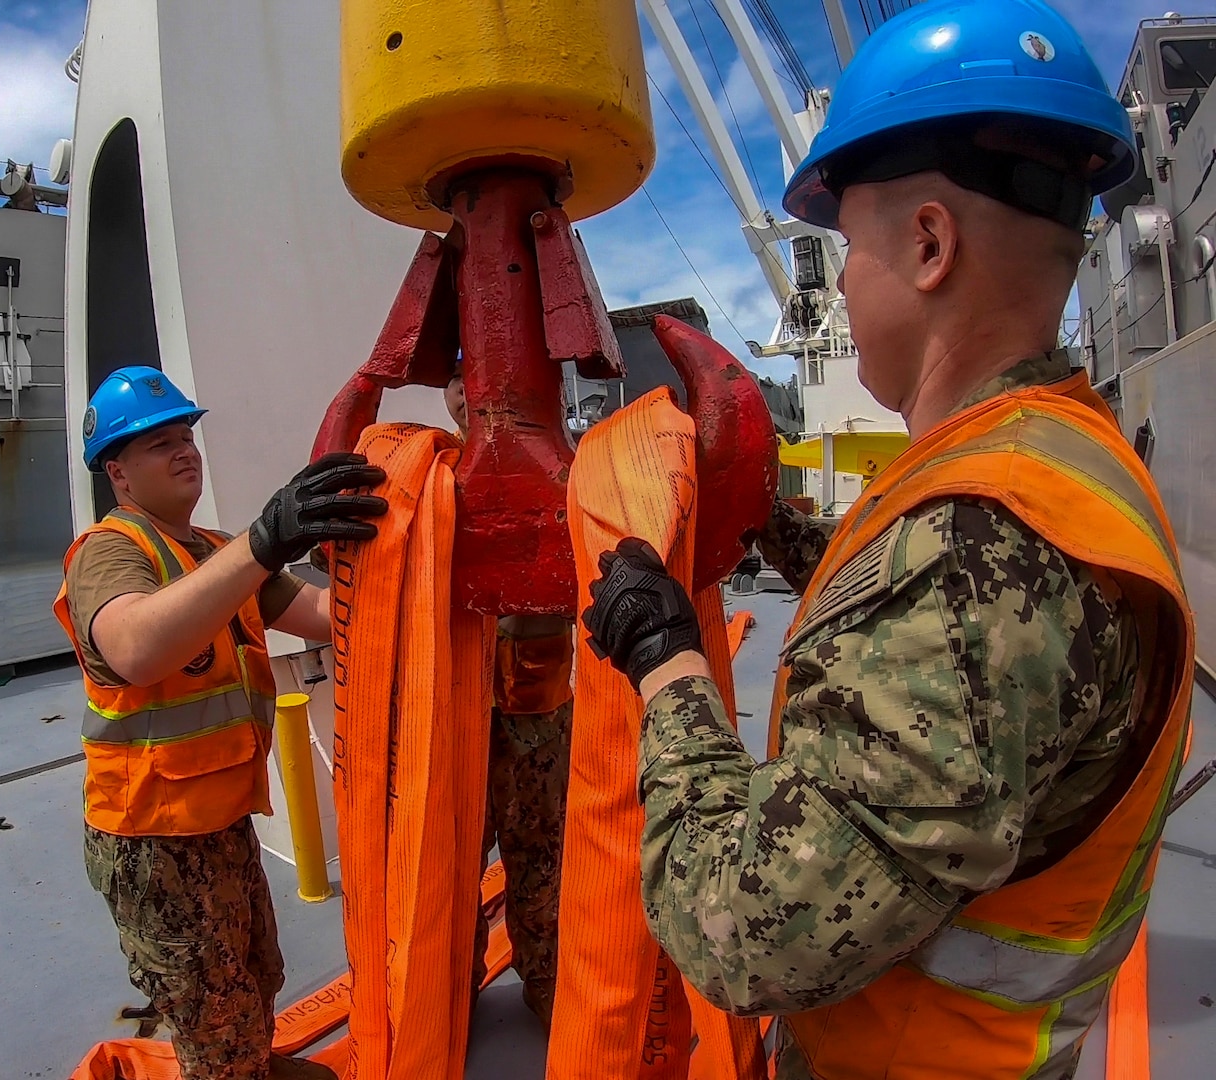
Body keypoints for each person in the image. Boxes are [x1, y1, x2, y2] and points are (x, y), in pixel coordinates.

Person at [580, 3, 1195, 1078]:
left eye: (845, 248)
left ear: (926, 244)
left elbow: (743, 932)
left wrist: (666, 663)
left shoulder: (979, 547)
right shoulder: (1054, 457)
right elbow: (912, 604)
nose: (845, 286)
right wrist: (764, 512)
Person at [53, 366, 388, 1080]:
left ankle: (251, 1066)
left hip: (220, 821)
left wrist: (391, 558)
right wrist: (265, 539)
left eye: (186, 437)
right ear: (118, 473)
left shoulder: (211, 551)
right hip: (153, 840)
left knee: (255, 974)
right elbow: (136, 648)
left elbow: (327, 618)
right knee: (210, 1012)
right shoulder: (109, 553)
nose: (185, 452)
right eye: (157, 444)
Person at [445, 364, 575, 1031]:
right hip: (455, 716)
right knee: (451, 856)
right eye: (457, 384)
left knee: (543, 854)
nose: (470, 395)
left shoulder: (564, 469)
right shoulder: (431, 478)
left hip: (537, 711)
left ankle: (550, 982)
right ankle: (449, 990)